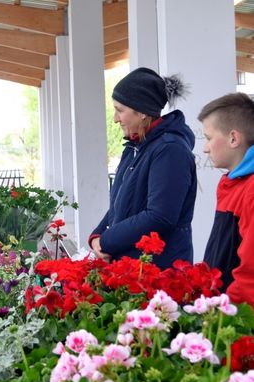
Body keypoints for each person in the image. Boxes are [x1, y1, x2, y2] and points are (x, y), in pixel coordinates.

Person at [89, 67, 197, 269]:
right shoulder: (134, 147)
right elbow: (119, 205)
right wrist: (98, 235)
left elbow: (159, 216)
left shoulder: (170, 151)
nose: (115, 118)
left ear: (142, 112)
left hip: (158, 273)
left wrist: (107, 241)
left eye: (120, 110)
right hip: (133, 269)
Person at [198, 92, 254, 308]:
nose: (205, 147)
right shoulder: (232, 184)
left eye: (209, 138)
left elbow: (250, 275)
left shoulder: (250, 190)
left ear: (233, 138)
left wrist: (221, 315)